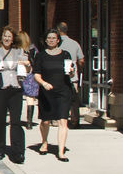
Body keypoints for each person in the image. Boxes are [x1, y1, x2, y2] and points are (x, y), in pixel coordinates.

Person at [0, 26, 30, 163]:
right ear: (1, 38)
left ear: (13, 39)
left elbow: (27, 70)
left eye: (9, 36)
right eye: (5, 36)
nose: (7, 38)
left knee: (15, 121)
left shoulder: (19, 51)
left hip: (15, 89)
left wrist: (27, 64)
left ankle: (18, 153)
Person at [33, 28, 76, 161]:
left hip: (63, 90)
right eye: (49, 38)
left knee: (63, 120)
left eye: (54, 38)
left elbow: (71, 73)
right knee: (45, 121)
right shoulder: (40, 56)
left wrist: (72, 72)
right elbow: (36, 75)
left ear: (58, 40)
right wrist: (43, 83)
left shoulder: (66, 55)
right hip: (46, 91)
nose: (51, 40)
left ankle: (61, 151)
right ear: (46, 40)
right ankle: (44, 142)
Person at [56, 22, 85, 126]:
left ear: (59, 31)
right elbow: (81, 60)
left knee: (59, 98)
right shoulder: (75, 43)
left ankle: (58, 119)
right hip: (73, 76)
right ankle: (75, 120)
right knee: (74, 99)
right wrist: (79, 69)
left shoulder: (57, 44)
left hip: (58, 76)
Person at [18, 30, 37, 128]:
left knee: (17, 97)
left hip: (18, 76)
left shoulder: (15, 50)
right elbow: (36, 62)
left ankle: (16, 118)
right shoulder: (32, 49)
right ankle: (29, 122)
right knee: (30, 98)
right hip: (30, 75)